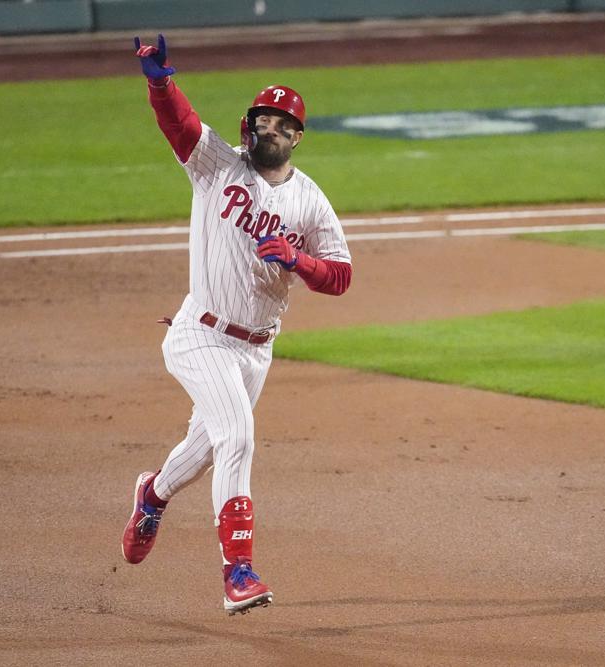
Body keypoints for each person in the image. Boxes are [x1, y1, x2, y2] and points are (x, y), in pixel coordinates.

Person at [121, 34, 353, 615]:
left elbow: (341, 275)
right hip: (200, 333)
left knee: (204, 449)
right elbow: (180, 123)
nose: (266, 128)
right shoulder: (215, 163)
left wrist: (299, 261)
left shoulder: (310, 202)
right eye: (259, 119)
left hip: (255, 352)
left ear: (296, 136)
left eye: (279, 122)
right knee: (239, 437)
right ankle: (238, 571)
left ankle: (151, 494)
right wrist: (159, 82)